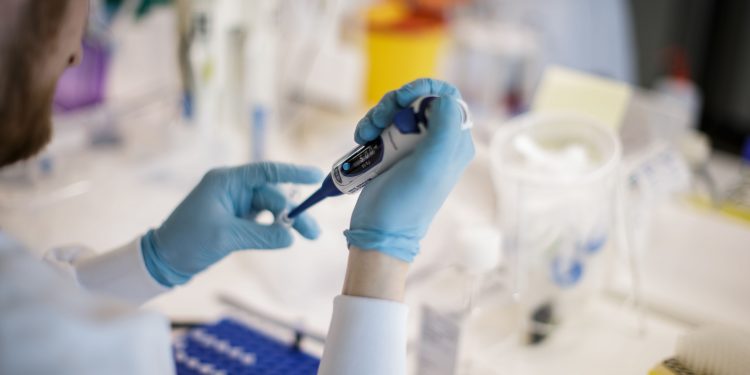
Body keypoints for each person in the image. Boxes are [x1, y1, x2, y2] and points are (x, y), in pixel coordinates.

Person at [0, 1, 474, 374]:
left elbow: (37, 300)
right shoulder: (95, 354)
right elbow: (53, 331)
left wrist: (149, 262)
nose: (77, 52)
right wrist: (383, 258)